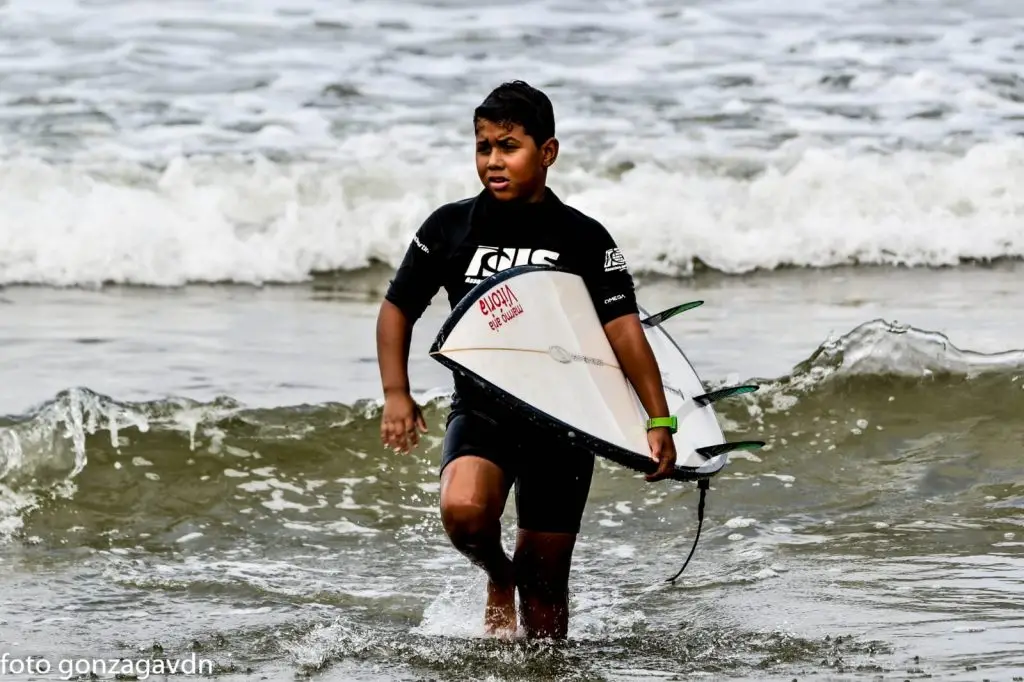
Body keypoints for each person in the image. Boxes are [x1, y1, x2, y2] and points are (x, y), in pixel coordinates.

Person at [376, 80, 677, 640]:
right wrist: (397, 392)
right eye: (483, 146)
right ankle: (497, 575)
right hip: (483, 407)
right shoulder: (449, 227)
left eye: (508, 146)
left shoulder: (583, 238)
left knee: (545, 596)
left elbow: (624, 333)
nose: (493, 160)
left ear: (547, 152)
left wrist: (658, 419)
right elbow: (397, 309)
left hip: (565, 420)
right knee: (465, 513)